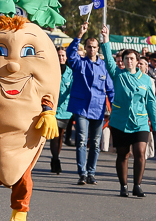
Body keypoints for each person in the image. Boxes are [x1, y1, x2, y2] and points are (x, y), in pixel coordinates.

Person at [99, 26, 156, 197]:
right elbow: (109, 61)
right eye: (126, 58)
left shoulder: (146, 80)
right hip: (120, 121)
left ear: (138, 61)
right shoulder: (118, 75)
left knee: (140, 153)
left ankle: (137, 185)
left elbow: (151, 102)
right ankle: (124, 186)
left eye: (132, 58)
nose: (129, 61)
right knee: (123, 154)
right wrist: (106, 39)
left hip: (140, 122)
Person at [66, 21, 114, 185]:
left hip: (98, 109)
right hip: (81, 108)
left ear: (97, 48)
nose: (91, 49)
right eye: (89, 47)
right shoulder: (79, 63)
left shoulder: (103, 66)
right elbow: (70, 54)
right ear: (85, 48)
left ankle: (91, 173)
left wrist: (114, 107)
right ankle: (82, 173)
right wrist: (79, 35)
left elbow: (110, 89)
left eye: (94, 47)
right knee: (81, 140)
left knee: (95, 143)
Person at [48, 44, 73, 174]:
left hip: (65, 109)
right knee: (55, 135)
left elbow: (72, 90)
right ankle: (55, 159)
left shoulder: (70, 73)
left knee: (60, 134)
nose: (61, 58)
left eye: (63, 55)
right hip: (52, 108)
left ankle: (55, 157)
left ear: (66, 57)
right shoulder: (51, 71)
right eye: (59, 55)